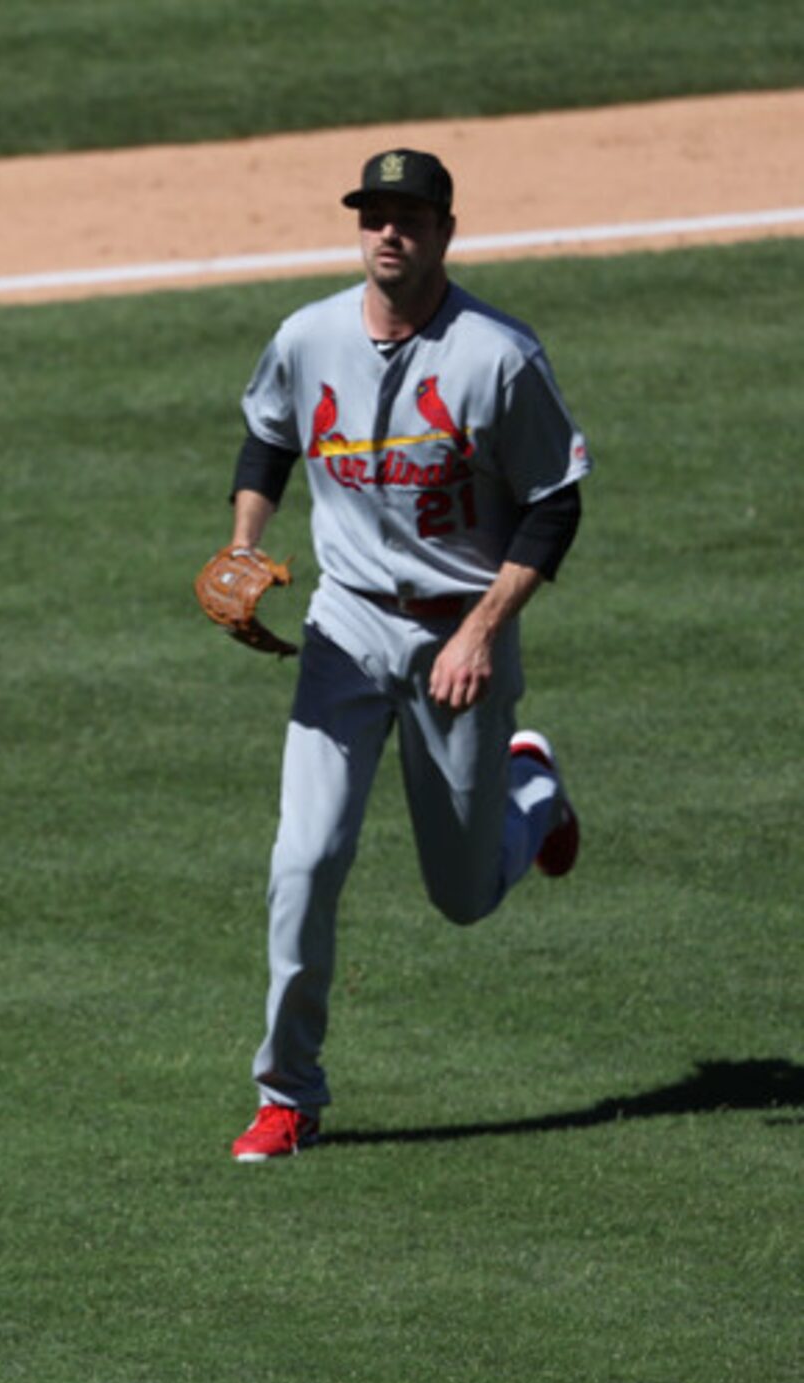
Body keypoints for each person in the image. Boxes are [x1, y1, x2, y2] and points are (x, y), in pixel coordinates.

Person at [209, 148, 592, 1163]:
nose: (390, 232)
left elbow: (556, 503)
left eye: (410, 217)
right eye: (375, 214)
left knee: (462, 898)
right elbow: (268, 440)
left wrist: (481, 630)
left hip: (459, 630)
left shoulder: (498, 358)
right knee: (305, 861)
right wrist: (245, 546)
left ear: (445, 234)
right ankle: (288, 1094)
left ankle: (534, 788)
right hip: (343, 629)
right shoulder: (309, 336)